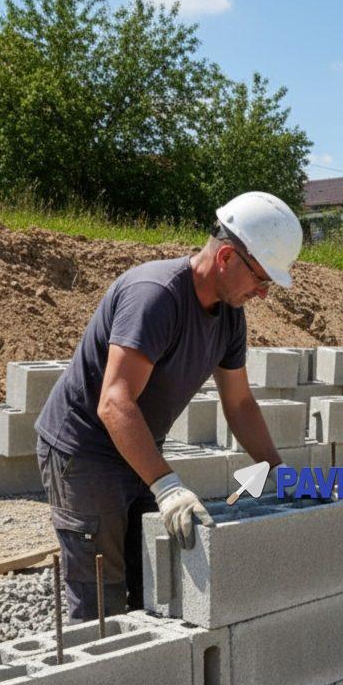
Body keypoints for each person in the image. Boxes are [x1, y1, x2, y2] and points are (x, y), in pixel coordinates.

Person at [34, 191, 303, 621]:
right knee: (100, 598)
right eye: (261, 279)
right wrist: (167, 487)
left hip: (137, 445)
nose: (264, 293)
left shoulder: (230, 316)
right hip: (84, 451)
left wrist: (277, 469)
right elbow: (114, 401)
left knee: (155, 581)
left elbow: (239, 403)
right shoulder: (156, 297)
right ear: (227, 257)